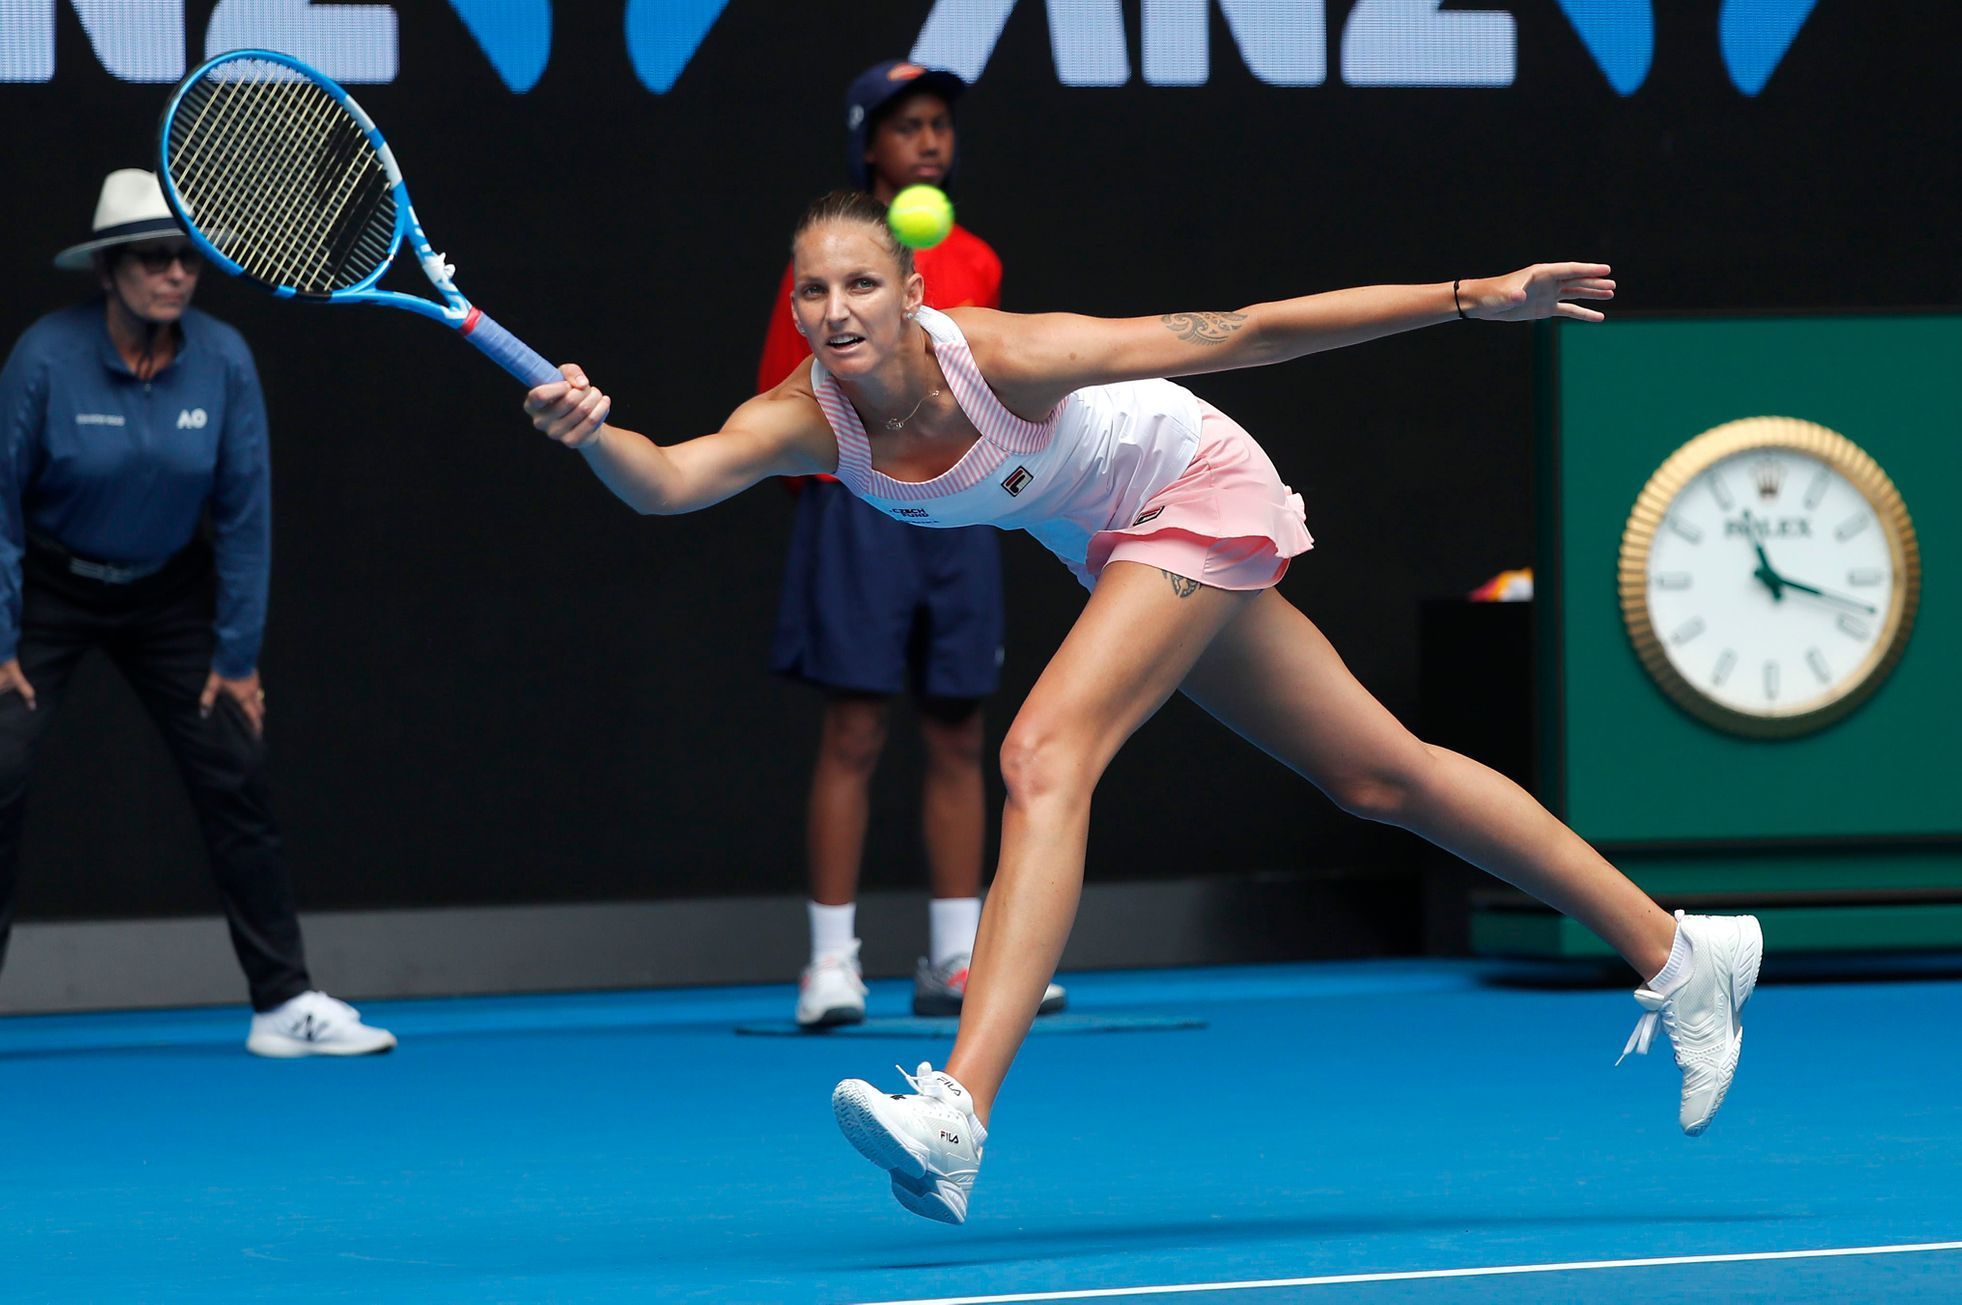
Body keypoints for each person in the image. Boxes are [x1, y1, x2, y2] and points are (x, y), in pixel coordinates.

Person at [524, 191, 1762, 1223]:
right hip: (1109, 538)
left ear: (911, 293)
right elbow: (670, 481)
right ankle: (1681, 949)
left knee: (1043, 754)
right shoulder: (804, 419)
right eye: (812, 293)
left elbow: (1248, 334)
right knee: (1382, 775)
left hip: (1193, 481)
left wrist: (1466, 296)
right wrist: (592, 434)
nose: (835, 312)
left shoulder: (1008, 353)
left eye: (860, 285)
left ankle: (957, 1112)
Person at [0, 169, 395, 1057]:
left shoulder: (223, 359)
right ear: (108, 270)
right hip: (51, 590)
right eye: (153, 259)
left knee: (234, 765)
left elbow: (246, 515)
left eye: (187, 258)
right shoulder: (44, 359)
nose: (175, 274)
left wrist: (237, 656)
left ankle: (283, 1002)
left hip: (169, 591)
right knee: (0, 771)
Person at [758, 60, 1061, 1029]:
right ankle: (831, 964)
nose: (931, 140)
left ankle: (956, 959)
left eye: (940, 123)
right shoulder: (831, 270)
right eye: (908, 126)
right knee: (854, 729)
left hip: (963, 510)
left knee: (959, 732)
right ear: (868, 146)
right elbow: (787, 399)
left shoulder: (973, 257)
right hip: (859, 511)